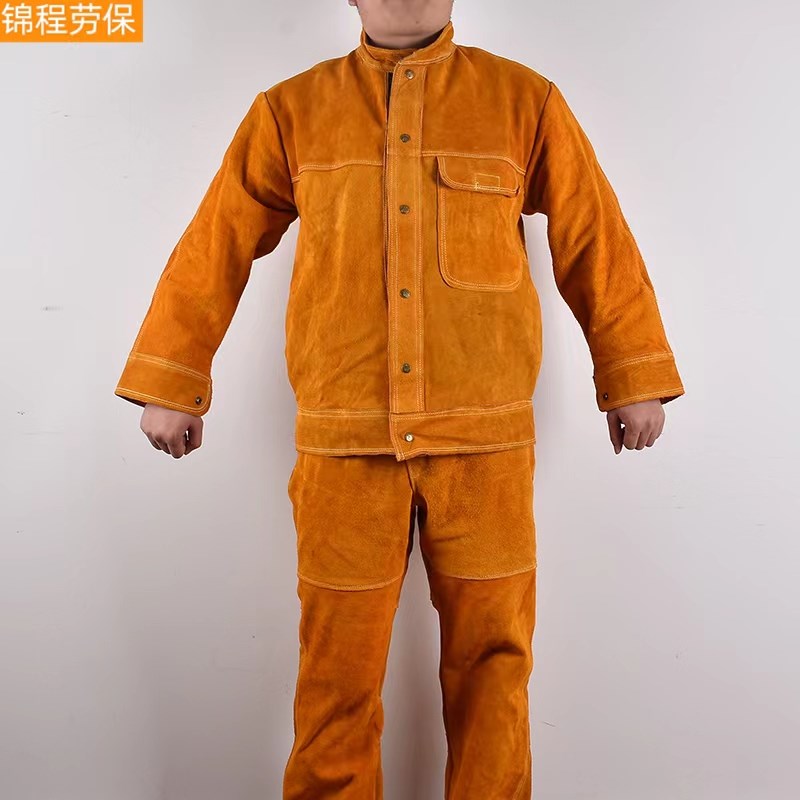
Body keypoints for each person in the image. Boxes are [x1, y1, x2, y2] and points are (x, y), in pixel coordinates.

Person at [114, 1, 685, 797]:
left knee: (494, 669)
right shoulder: (290, 111)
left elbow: (595, 236)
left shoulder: (525, 102)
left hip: (485, 448)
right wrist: (171, 379)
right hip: (344, 447)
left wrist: (633, 372)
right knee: (335, 680)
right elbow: (218, 241)